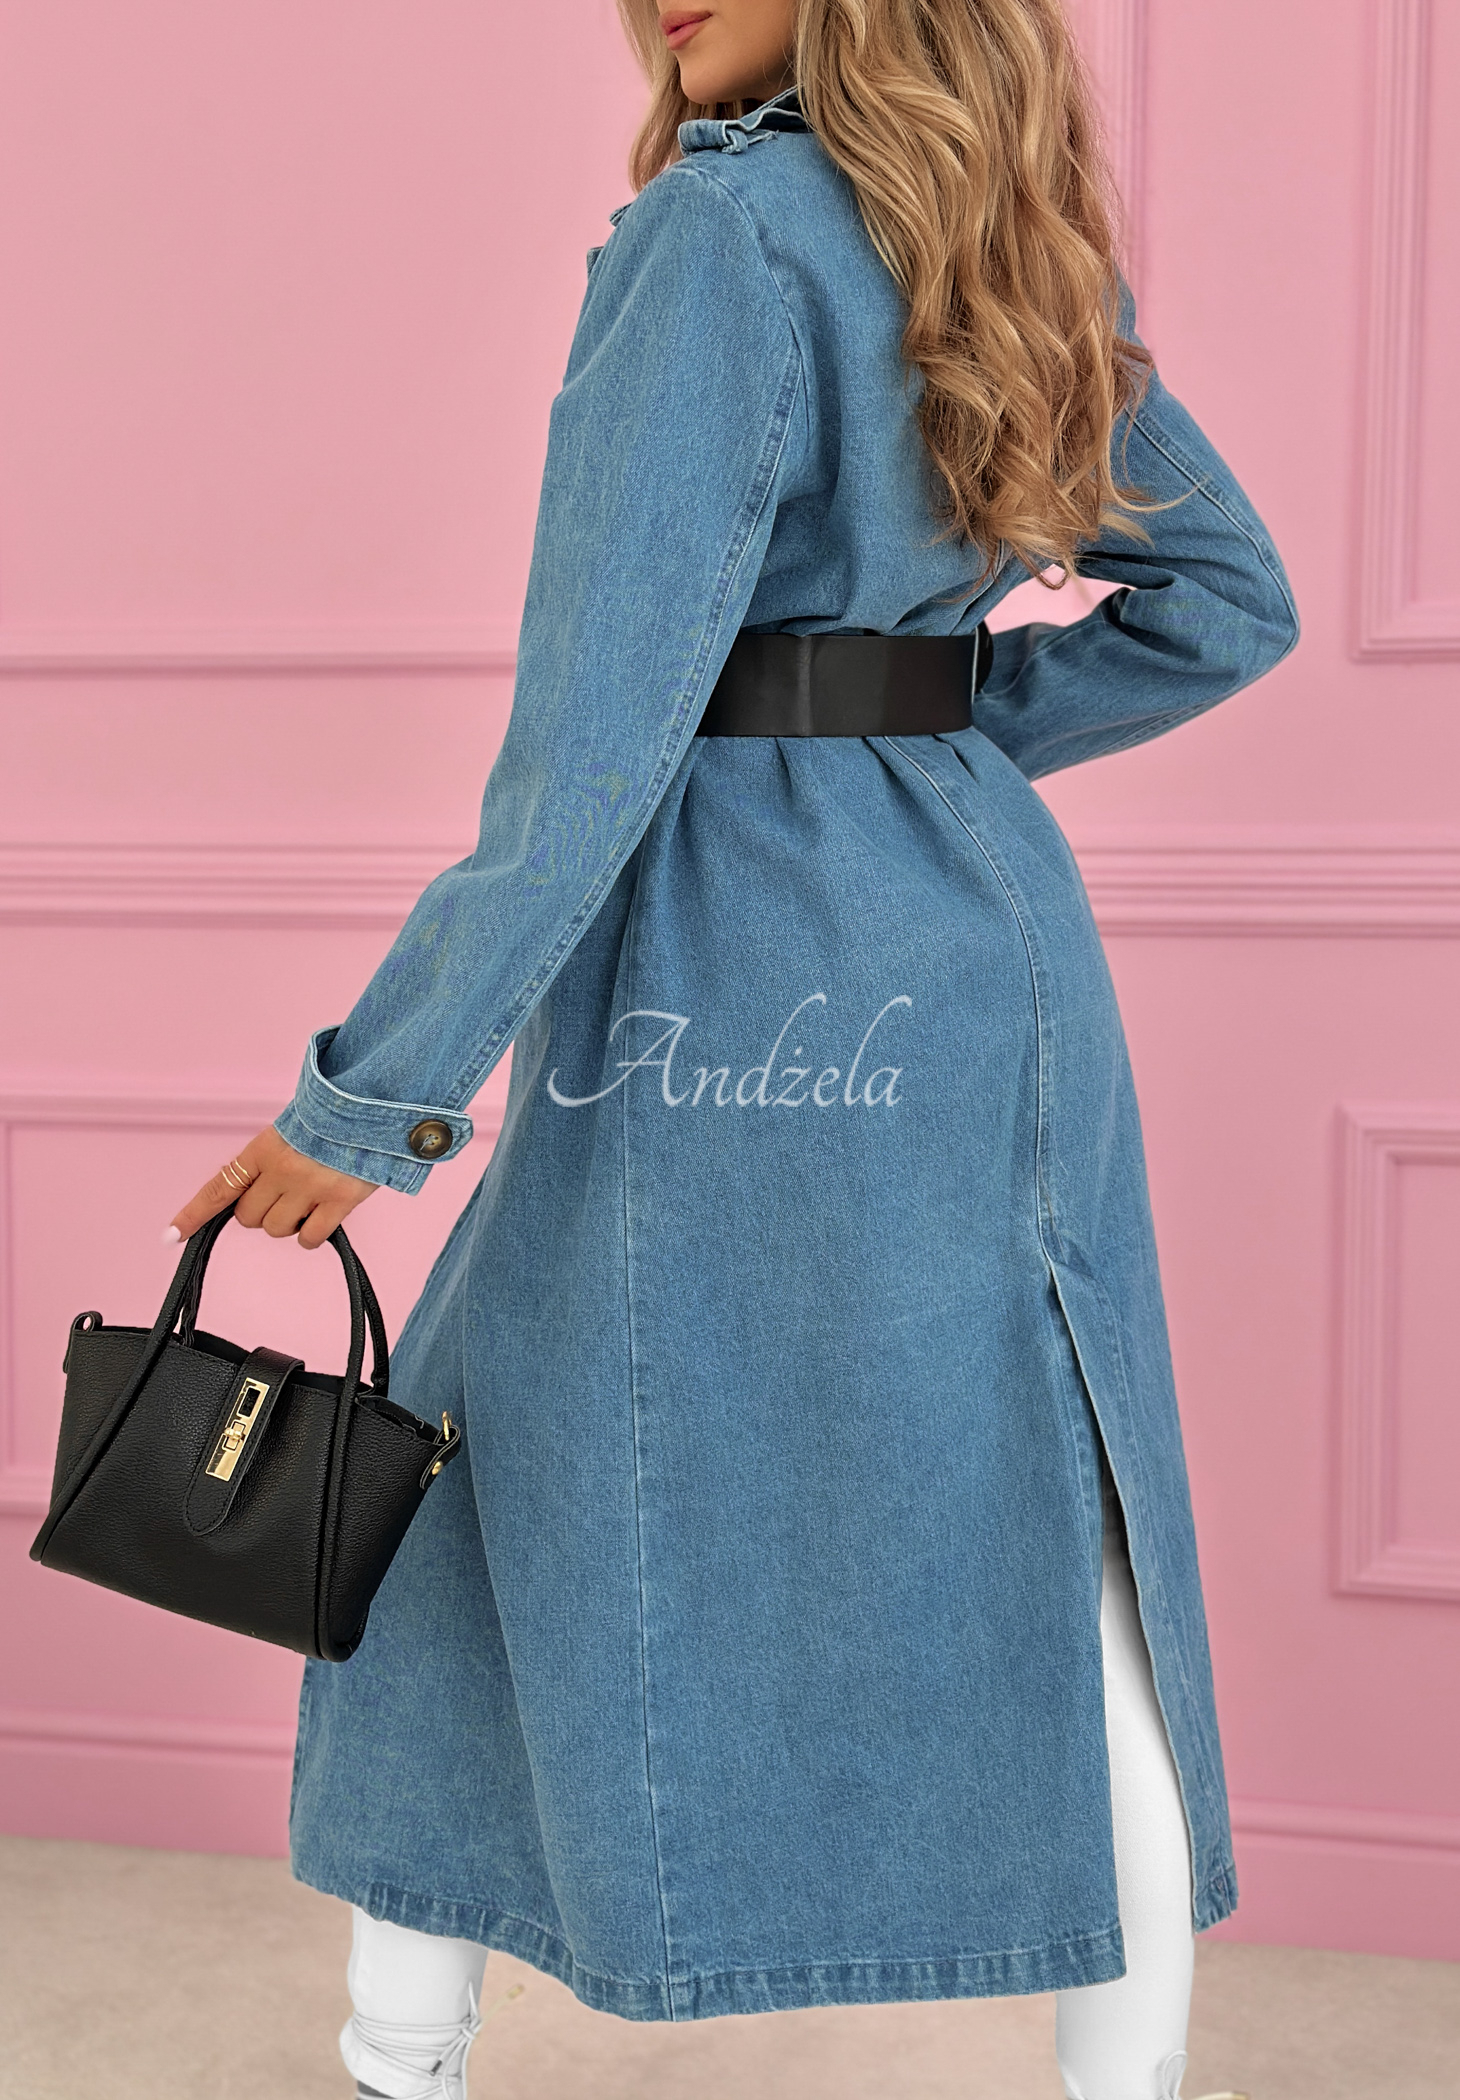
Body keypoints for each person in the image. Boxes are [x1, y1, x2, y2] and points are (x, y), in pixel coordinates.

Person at [168, 3, 1296, 2096]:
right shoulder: (1002, 240)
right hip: (986, 958)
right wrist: (920, 746)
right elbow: (1229, 603)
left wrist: (372, 1097)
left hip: (722, 964)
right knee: (1069, 1518)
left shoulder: (719, 238)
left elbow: (591, 749)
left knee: (460, 1517)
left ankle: (399, 2064)